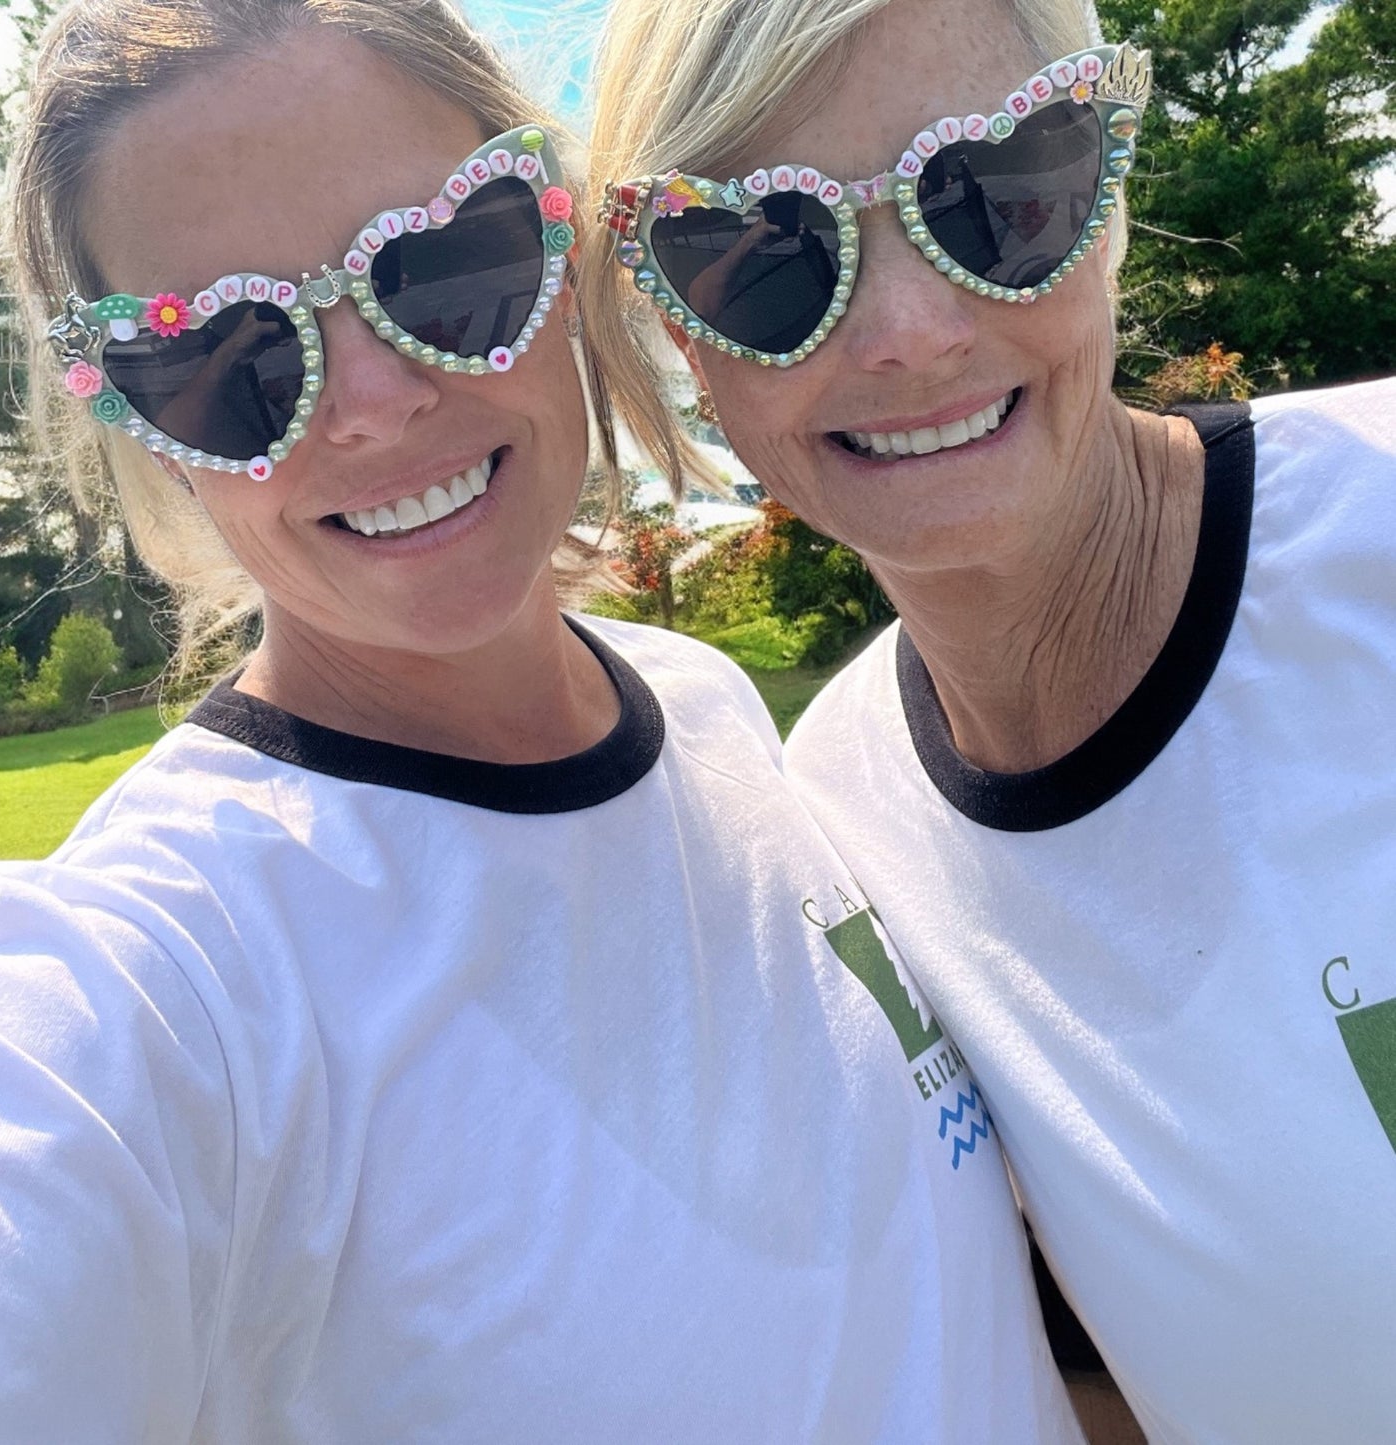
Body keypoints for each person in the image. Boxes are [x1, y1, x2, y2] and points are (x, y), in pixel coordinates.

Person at [0, 2, 1086, 1440]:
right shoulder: (159, 989)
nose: (371, 403)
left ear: (567, 256)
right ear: (140, 423)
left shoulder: (703, 706)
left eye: (447, 265)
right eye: (219, 358)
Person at [588, 0, 1396, 1441]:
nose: (910, 333)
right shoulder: (836, 833)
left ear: (1111, 189)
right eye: (766, 255)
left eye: (997, 189)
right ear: (681, 333)